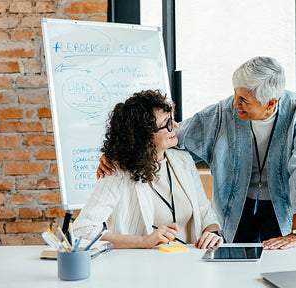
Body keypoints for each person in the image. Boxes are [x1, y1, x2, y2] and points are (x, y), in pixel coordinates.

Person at [98, 56, 296, 250]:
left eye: (244, 100)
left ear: (271, 103)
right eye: (235, 94)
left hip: (282, 208)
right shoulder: (223, 113)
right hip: (236, 210)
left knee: (280, 268)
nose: (235, 103)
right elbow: (172, 137)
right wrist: (118, 153)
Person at [74, 90, 222, 249]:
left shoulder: (183, 161)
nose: (176, 125)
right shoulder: (116, 172)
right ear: (143, 136)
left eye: (171, 119)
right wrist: (144, 242)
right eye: (167, 123)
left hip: (188, 264)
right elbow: (82, 231)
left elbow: (205, 212)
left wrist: (213, 233)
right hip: (141, 268)